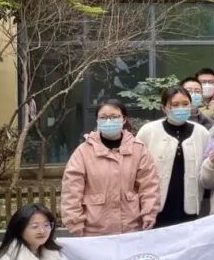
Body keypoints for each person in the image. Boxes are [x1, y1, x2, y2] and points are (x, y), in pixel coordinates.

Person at [61, 99, 160, 236]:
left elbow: (149, 186)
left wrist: (149, 214)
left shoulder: (138, 149)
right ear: (97, 120)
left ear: (123, 119)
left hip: (132, 228)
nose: (109, 121)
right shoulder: (83, 152)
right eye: (103, 117)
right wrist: (75, 223)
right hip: (94, 230)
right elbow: (71, 191)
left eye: (114, 117)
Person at [136, 87, 211, 228]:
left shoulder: (202, 133)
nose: (181, 108)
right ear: (164, 108)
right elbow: (136, 168)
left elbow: (207, 169)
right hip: (155, 207)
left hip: (190, 206)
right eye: (175, 105)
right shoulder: (148, 131)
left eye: (185, 104)